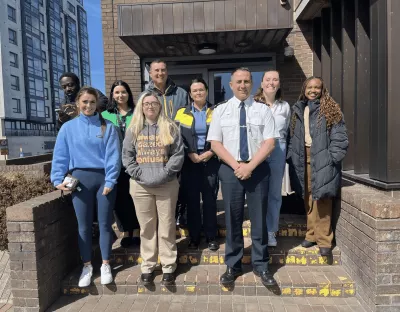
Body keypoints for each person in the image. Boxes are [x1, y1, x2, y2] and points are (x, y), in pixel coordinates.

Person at [207, 68, 279, 288]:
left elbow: (270, 143)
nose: (242, 85)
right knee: (232, 219)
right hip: (231, 169)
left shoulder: (263, 110)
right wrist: (237, 165)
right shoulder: (220, 111)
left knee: (258, 220)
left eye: (246, 81)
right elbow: (215, 144)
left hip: (257, 169)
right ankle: (233, 265)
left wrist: (250, 166)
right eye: (238, 82)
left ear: (251, 83)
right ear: (230, 85)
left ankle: (261, 264)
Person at [51, 87, 121, 287]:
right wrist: (57, 179)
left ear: (97, 103)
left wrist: (110, 180)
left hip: (104, 180)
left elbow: (113, 157)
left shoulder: (107, 126)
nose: (89, 106)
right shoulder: (68, 128)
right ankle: (87, 265)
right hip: (80, 180)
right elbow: (61, 155)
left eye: (92, 102)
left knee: (105, 223)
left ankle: (105, 264)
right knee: (83, 226)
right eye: (85, 102)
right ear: (78, 104)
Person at [122, 91, 184, 286]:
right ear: (141, 106)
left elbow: (177, 156)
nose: (150, 106)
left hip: (166, 184)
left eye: (154, 103)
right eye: (146, 103)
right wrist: (140, 175)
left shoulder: (170, 127)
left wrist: (163, 175)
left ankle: (168, 266)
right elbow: (127, 157)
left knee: (166, 226)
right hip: (140, 186)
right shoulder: (134, 129)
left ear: (160, 106)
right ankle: (148, 265)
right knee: (147, 228)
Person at [286, 76, 348, 256]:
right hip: (302, 158)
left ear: (323, 90)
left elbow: (340, 137)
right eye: (310, 87)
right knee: (308, 197)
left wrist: (332, 158)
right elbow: (292, 137)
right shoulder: (298, 109)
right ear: (304, 89)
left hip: (323, 158)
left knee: (323, 198)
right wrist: (291, 156)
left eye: (317, 88)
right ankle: (311, 234)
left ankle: (324, 240)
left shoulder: (330, 109)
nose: (313, 91)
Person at [142, 59, 189, 226]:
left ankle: (180, 216)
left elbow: (187, 122)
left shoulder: (181, 94)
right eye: (156, 70)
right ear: (151, 73)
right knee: (162, 183)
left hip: (178, 146)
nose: (160, 73)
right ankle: (163, 219)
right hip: (156, 149)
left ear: (167, 72)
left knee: (181, 183)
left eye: (163, 70)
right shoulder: (145, 96)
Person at [175, 78, 219, 251]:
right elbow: (177, 137)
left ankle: (211, 236)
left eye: (201, 89)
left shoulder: (216, 111)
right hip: (190, 162)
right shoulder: (181, 113)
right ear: (190, 94)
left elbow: (222, 135)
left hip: (210, 160)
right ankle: (194, 237)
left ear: (206, 91)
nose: (198, 93)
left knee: (210, 201)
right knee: (192, 201)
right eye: (195, 91)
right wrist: (189, 153)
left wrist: (211, 152)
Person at [254, 70, 290, 247]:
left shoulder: (285, 107)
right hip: (259, 150)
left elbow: (287, 131)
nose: (271, 82)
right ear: (261, 84)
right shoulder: (254, 105)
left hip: (278, 150)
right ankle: (258, 230)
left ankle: (271, 231)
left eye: (275, 79)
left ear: (279, 84)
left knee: (275, 193)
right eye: (267, 79)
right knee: (257, 192)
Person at [102, 80, 140, 248]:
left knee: (136, 197)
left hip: (136, 162)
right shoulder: (105, 115)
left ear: (128, 94)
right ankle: (125, 231)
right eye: (116, 92)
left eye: (123, 92)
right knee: (120, 199)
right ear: (112, 95)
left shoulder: (138, 113)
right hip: (115, 163)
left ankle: (137, 230)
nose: (120, 95)